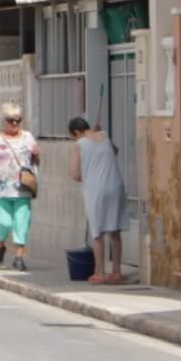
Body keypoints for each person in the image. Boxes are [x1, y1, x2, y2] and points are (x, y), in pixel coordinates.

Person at [68, 115, 129, 283]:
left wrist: (85, 175)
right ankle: (117, 272)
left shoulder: (79, 144)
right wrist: (97, 133)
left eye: (73, 136)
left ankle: (100, 272)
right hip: (116, 186)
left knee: (98, 233)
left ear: (76, 132)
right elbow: (115, 152)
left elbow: (74, 174)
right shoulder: (105, 136)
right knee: (115, 231)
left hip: (96, 190)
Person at [0, 101, 38, 271]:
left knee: (22, 223)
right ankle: (0, 246)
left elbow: (35, 160)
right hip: (2, 189)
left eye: (18, 120)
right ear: (3, 120)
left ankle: (19, 257)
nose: (14, 123)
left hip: (22, 189)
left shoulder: (27, 137)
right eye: (11, 120)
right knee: (3, 222)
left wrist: (36, 155)